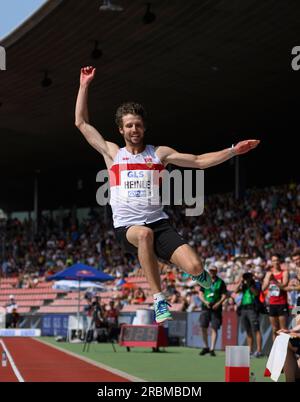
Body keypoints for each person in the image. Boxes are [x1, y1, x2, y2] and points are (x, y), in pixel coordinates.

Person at [75, 66, 260, 323]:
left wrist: (232, 151)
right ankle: (159, 300)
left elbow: (197, 161)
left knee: (195, 267)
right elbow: (81, 123)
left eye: (138, 125)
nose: (134, 129)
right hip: (128, 228)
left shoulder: (158, 154)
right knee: (144, 234)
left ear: (144, 128)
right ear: (121, 130)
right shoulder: (112, 154)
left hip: (159, 224)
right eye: (128, 125)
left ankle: (197, 275)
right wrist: (84, 85)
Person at [198, 266, 227, 356]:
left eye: (213, 271)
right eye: (210, 271)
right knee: (203, 327)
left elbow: (224, 295)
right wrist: (205, 301)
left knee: (214, 327)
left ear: (216, 271)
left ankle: (212, 348)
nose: (212, 272)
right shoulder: (204, 280)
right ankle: (206, 346)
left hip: (216, 308)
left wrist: (218, 303)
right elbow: (200, 293)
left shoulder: (221, 282)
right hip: (205, 307)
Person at [233, 272, 263, 357]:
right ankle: (250, 350)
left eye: (248, 277)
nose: (247, 279)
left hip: (252, 309)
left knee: (256, 330)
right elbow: (235, 290)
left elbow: (256, 293)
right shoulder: (244, 285)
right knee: (248, 331)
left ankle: (259, 350)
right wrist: (241, 281)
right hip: (243, 309)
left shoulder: (256, 284)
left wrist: (250, 283)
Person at [262, 254, 289, 340]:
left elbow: (284, 286)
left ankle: (285, 352)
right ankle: (275, 352)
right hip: (272, 304)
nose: (276, 262)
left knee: (283, 330)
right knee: (274, 329)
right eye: (273, 260)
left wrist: (274, 280)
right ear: (271, 262)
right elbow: (263, 288)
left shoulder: (284, 272)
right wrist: (268, 280)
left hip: (282, 303)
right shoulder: (268, 273)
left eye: (277, 260)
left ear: (280, 261)